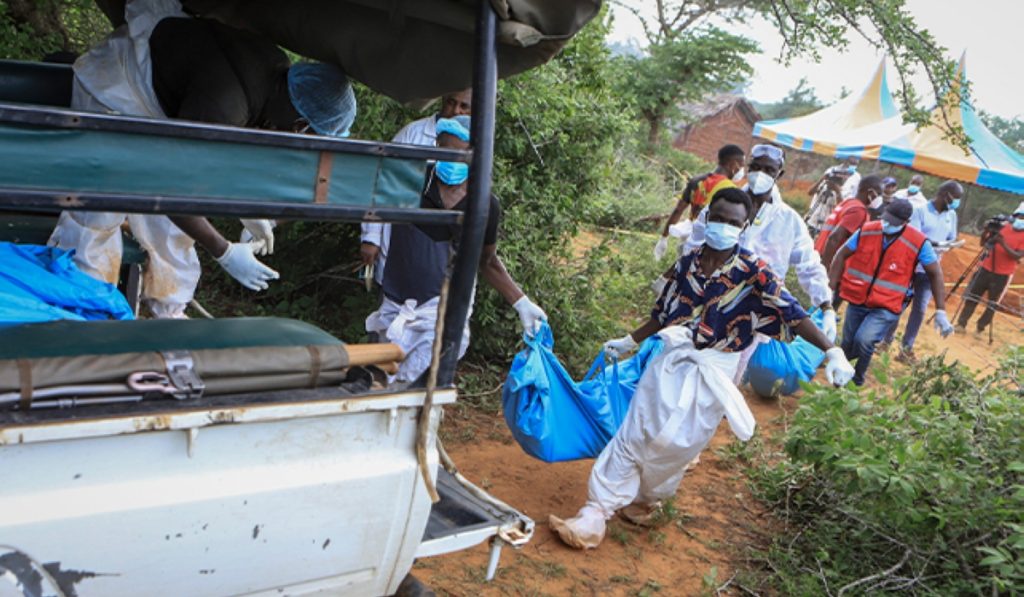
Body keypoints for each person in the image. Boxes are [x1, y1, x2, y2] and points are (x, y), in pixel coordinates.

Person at [548, 187, 855, 550]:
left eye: (734, 222)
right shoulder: (687, 263)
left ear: (744, 228)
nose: (725, 226)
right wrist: (629, 341)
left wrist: (832, 350)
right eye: (720, 218)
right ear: (707, 218)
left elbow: (793, 313)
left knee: (677, 443)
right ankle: (594, 514)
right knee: (636, 431)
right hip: (672, 357)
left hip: (715, 369)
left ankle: (648, 498)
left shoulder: (755, 271)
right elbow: (662, 313)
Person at [48, 0, 356, 317]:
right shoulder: (225, 103)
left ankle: (168, 310)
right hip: (116, 87)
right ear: (301, 126)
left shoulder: (277, 77)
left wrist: (248, 208)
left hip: (166, 105)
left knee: (176, 229)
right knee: (100, 209)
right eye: (310, 139)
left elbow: (225, 155)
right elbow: (173, 188)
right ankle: (77, 309)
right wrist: (223, 252)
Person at [364, 117, 546, 383]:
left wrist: (521, 302)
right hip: (396, 299)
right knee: (380, 377)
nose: (450, 161)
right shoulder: (412, 183)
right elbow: (372, 194)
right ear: (436, 147)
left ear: (475, 155)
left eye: (458, 154)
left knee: (423, 381)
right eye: (444, 151)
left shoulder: (483, 204)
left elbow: (486, 260)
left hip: (441, 305)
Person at [684, 144, 838, 385]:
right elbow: (693, 248)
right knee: (691, 363)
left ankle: (715, 409)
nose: (760, 174)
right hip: (708, 299)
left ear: (780, 173)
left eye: (769, 169)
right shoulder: (722, 206)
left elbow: (809, 265)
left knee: (729, 373)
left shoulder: (788, 221)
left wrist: (826, 306)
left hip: (751, 312)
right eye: (755, 167)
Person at [829, 199, 953, 386]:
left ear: (905, 222)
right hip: (858, 297)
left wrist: (941, 311)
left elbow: (935, 273)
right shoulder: (868, 230)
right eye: (886, 219)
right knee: (848, 342)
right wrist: (829, 288)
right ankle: (839, 383)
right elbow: (841, 255)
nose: (886, 224)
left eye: (893, 222)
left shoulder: (918, 242)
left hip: (887, 304)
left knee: (864, 339)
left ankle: (855, 382)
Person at [359, 89, 473, 285]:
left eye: (464, 106)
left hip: (443, 253)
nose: (455, 110)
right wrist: (371, 236)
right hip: (400, 240)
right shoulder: (413, 133)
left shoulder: (476, 143)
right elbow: (382, 181)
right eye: (451, 102)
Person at [881, 181, 962, 362]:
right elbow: (915, 237)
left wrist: (945, 245)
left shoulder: (952, 215)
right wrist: (935, 244)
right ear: (945, 194)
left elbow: (952, 238)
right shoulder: (920, 211)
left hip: (930, 270)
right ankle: (884, 340)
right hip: (911, 267)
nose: (957, 202)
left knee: (920, 309)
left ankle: (906, 348)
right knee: (898, 305)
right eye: (955, 198)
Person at [652, 144, 746, 260]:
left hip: (686, 238)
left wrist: (664, 237)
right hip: (707, 241)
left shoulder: (697, 180)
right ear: (732, 164)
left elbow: (678, 209)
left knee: (681, 267)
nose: (742, 170)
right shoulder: (729, 189)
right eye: (741, 165)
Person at [955, 202, 1024, 334]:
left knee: (992, 303)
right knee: (972, 296)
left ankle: (981, 327)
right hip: (985, 268)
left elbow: (1017, 256)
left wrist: (1002, 243)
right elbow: (984, 244)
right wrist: (987, 231)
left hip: (1003, 274)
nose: (1021, 220)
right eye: (1019, 216)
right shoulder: (1004, 227)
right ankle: (961, 324)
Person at [814, 175, 885, 268]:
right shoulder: (858, 211)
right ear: (870, 193)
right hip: (828, 260)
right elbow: (835, 238)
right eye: (879, 194)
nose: (880, 199)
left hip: (819, 254)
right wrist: (825, 268)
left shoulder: (848, 203)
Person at [806, 156, 861, 234]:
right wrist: (823, 179)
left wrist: (837, 190)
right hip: (813, 219)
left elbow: (843, 207)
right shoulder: (832, 170)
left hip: (829, 225)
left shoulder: (856, 178)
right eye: (851, 162)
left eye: (855, 163)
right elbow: (810, 192)